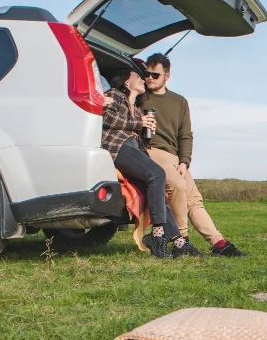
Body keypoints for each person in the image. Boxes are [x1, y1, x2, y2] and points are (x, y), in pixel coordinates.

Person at [143, 53, 246, 257]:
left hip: (174, 156)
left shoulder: (179, 101)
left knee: (194, 200)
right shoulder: (140, 97)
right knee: (178, 186)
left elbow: (186, 136)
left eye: (155, 75)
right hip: (151, 151)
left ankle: (219, 244)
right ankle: (182, 241)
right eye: (147, 74)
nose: (149, 78)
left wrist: (184, 162)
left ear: (167, 76)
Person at [102, 61, 202, 258]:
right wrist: (139, 123)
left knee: (157, 194)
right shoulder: (114, 95)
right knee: (157, 173)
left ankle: (180, 242)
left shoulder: (138, 108)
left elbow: (137, 132)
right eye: (137, 77)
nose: (142, 79)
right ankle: (157, 235)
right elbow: (107, 120)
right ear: (126, 82)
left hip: (133, 148)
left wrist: (147, 131)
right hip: (116, 146)